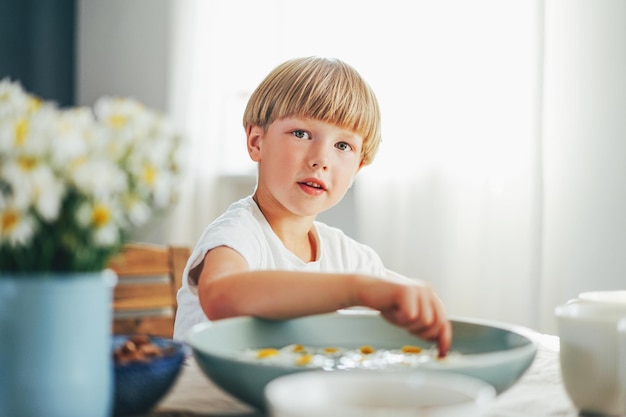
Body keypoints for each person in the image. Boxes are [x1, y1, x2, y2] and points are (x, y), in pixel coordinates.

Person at [173, 56, 452, 356]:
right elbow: (221, 296)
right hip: (205, 400)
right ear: (256, 142)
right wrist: (357, 290)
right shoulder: (238, 234)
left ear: (357, 168)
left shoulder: (345, 255)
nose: (321, 159)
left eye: (343, 146)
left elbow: (397, 293)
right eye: (301, 134)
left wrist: (419, 303)